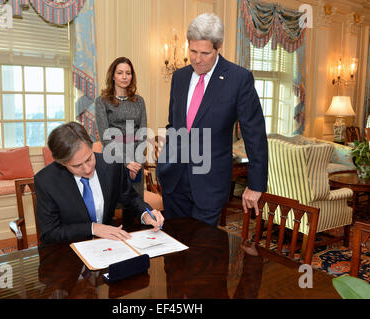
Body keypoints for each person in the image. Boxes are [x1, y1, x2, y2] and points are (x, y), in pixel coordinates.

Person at [157, 13, 268, 226]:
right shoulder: (179, 78)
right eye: (193, 51)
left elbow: (254, 133)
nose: (197, 59)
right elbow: (174, 125)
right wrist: (166, 160)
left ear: (219, 48)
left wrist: (256, 184)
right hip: (174, 179)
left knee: (202, 251)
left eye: (205, 53)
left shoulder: (238, 79)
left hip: (210, 183)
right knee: (174, 250)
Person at [34, 122, 164, 244]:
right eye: (77, 166)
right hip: (69, 251)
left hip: (109, 245)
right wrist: (92, 228)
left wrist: (145, 213)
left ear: (91, 147)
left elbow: (130, 197)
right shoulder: (46, 181)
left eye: (89, 158)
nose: (87, 169)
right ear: (62, 163)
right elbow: (49, 233)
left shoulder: (112, 164)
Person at [95, 57, 147, 200]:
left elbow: (143, 133)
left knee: (135, 205)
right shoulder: (102, 101)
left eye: (128, 73)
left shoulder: (139, 101)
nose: (124, 76)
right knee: (112, 206)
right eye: (120, 72)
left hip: (136, 158)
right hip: (112, 158)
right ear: (112, 75)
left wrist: (135, 162)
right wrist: (126, 162)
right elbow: (106, 137)